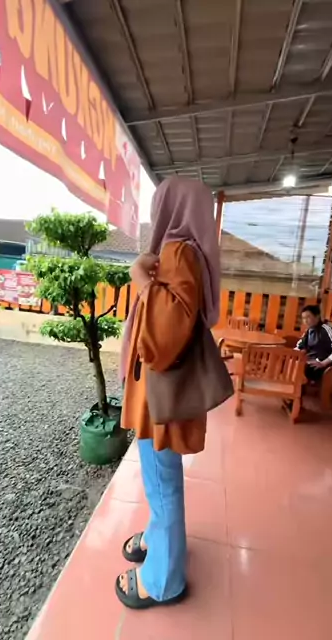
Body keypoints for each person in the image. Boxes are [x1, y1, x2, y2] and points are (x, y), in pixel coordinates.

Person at [117, 176, 220, 610]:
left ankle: (163, 580)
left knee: (162, 481)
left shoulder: (179, 252)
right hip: (161, 391)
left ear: (170, 210)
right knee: (160, 477)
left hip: (159, 394)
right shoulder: (186, 252)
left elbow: (167, 329)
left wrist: (141, 280)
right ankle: (160, 539)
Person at [295, 304, 332, 382]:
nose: (305, 321)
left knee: (307, 369)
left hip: (329, 364)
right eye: (303, 318)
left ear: (317, 316)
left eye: (308, 317)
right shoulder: (309, 331)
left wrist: (324, 363)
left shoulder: (326, 329)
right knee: (293, 364)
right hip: (313, 360)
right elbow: (300, 346)